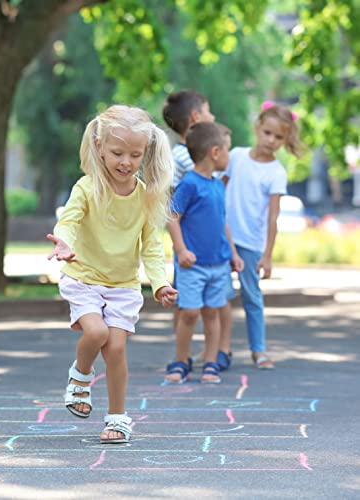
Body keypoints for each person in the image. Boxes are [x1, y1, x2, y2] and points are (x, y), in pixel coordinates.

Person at [47, 104, 178, 444]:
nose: (126, 162)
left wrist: (160, 283)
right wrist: (64, 242)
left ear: (145, 153)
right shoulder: (87, 187)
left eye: (135, 155)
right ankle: (80, 376)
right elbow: (71, 220)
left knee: (116, 348)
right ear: (100, 147)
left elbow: (151, 245)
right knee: (96, 332)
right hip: (84, 276)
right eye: (118, 152)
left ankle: (117, 418)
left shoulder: (146, 197)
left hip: (123, 285)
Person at [221, 101, 304, 369]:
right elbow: (217, 191)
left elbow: (272, 217)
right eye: (267, 133)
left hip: (250, 244)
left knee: (251, 297)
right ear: (258, 128)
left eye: (279, 137)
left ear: (286, 139)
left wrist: (267, 255)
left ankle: (259, 351)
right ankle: (218, 349)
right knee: (217, 296)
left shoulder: (276, 172)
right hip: (223, 238)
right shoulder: (235, 156)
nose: (271, 140)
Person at [162, 89, 233, 379]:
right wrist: (180, 250)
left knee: (213, 312)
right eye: (227, 150)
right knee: (190, 312)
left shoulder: (217, 185)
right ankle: (181, 359)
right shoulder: (190, 183)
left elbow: (222, 221)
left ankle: (211, 361)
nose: (230, 156)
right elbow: (171, 214)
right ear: (215, 153)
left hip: (218, 262)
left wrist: (234, 254)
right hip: (193, 262)